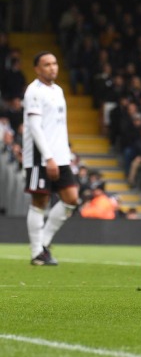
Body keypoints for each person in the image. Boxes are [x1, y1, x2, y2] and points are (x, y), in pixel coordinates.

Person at [23, 52, 79, 266]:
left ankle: (43, 243)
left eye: (54, 63)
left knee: (71, 199)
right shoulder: (33, 92)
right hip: (40, 156)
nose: (52, 68)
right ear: (37, 69)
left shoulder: (58, 90)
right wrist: (49, 157)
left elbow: (59, 127)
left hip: (60, 156)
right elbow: (36, 128)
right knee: (40, 201)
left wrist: (65, 154)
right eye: (46, 65)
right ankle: (37, 252)